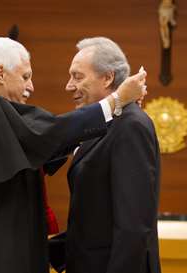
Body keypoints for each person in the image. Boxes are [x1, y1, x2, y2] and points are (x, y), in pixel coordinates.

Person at [0, 37, 147, 273]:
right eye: (25, 77)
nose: (31, 87)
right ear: (0, 74)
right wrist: (116, 101)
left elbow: (40, 148)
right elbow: (45, 136)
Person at [63, 37, 161, 273]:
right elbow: (96, 220)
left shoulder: (130, 126)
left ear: (107, 78)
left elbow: (133, 226)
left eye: (77, 77)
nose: (68, 86)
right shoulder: (104, 124)